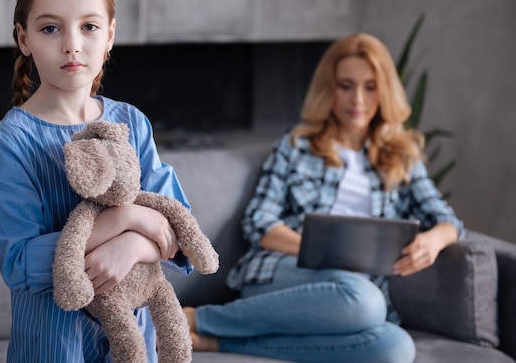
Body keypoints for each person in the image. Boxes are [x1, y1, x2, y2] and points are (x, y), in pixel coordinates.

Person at [183, 32, 465, 362]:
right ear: (329, 89)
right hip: (285, 271)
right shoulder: (297, 146)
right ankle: (198, 318)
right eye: (346, 85)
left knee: (396, 348)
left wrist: (433, 241)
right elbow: (258, 222)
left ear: (384, 90)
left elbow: (449, 221)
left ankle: (217, 343)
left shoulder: (401, 159)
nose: (357, 99)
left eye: (370, 86)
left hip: (350, 297)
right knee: (366, 300)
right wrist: (318, 249)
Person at [0, 0, 193, 362]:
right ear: (23, 38)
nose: (72, 44)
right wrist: (124, 220)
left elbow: (179, 229)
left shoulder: (131, 122)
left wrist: (132, 246)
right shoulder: (11, 140)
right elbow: (18, 263)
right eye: (50, 28)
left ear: (110, 35)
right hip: (54, 347)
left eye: (89, 27)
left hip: (134, 345)